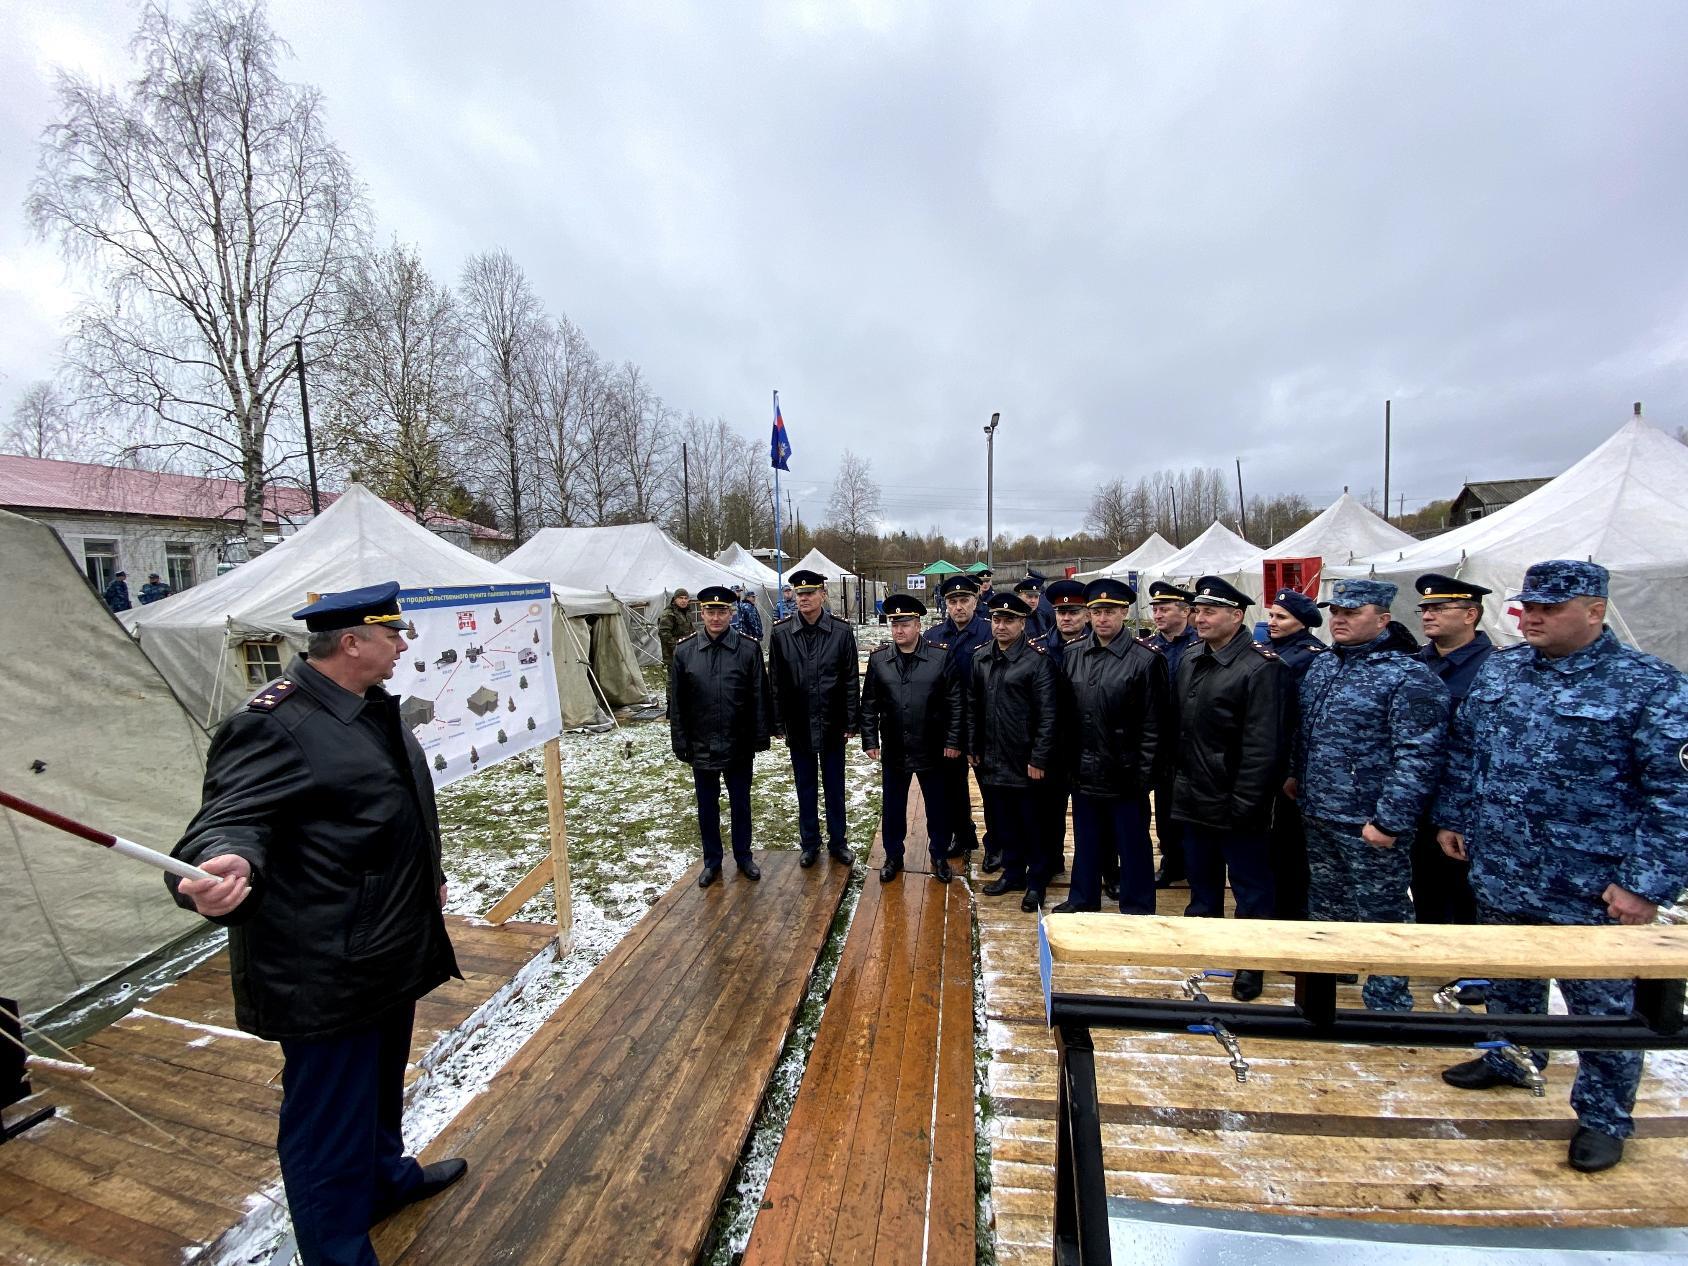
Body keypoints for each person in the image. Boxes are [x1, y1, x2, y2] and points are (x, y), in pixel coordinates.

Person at [167, 581, 466, 1266]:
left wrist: (429, 875)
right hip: (323, 967)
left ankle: (384, 1182)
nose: (402, 644)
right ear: (352, 642)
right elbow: (228, 819)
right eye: (392, 634)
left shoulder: (365, 709)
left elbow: (386, 811)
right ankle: (337, 1252)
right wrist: (222, 863)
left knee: (380, 1087)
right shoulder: (276, 723)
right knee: (325, 1124)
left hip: (383, 949)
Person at [1434, 560, 1688, 1173]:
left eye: (1551, 608)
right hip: (1503, 867)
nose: (1533, 617)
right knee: (1509, 982)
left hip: (1593, 887)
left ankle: (1603, 1116)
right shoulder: (1504, 669)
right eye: (1529, 606)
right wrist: (1455, 816)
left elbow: (1675, 797)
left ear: (1595, 611)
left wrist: (1644, 886)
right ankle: (1510, 1058)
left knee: (1601, 1009)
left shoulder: (1651, 686)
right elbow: (1468, 749)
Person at [1291, 578, 1448, 1013]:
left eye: (1351, 613)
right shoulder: (1323, 666)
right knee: (1326, 902)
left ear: (1382, 619)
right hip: (1319, 809)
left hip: (1369, 820)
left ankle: (1388, 997)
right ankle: (1328, 979)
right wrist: (1294, 776)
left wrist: (1390, 821)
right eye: (1335, 612)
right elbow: (1306, 730)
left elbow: (1419, 756)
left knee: (1383, 910)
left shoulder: (1407, 676)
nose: (1339, 620)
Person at [1168, 576, 1284, 1000]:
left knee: (1251, 887)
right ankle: (1208, 945)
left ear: (1236, 616)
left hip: (1236, 797)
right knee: (1202, 879)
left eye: (1209, 611)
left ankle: (1250, 963)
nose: (1199, 618)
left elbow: (1263, 745)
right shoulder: (1192, 657)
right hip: (1193, 791)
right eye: (1197, 611)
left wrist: (1248, 801)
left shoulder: (1260, 667)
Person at [1053, 578, 1167, 915]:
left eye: (1110, 611)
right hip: (1084, 768)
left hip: (1125, 770)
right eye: (1097, 611)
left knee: (1132, 844)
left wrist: (1145, 774)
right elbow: (1066, 714)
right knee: (1087, 841)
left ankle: (1137, 906)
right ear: (1088, 615)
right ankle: (1082, 897)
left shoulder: (1145, 659)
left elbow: (1154, 724)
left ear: (1124, 613)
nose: (1103, 618)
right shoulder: (1073, 654)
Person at [669, 585, 772, 888]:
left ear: (731, 613)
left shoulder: (748, 649)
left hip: (738, 743)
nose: (716, 617)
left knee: (741, 803)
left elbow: (758, 697)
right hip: (702, 743)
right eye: (710, 611)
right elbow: (677, 702)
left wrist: (759, 736)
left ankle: (743, 856)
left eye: (722, 611)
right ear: (702, 613)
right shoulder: (685, 651)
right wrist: (680, 740)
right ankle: (712, 861)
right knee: (707, 806)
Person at [1410, 573, 1494, 929]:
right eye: (1425, 608)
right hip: (1416, 804)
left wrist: (1457, 816)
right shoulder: (1414, 664)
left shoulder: (1495, 668)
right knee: (1426, 895)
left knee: (1467, 902)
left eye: (1440, 608)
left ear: (1470, 615)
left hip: (1466, 809)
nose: (1428, 615)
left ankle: (1470, 980)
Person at [860, 594, 961, 883]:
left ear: (918, 624)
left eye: (905, 624)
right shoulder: (880, 660)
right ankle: (893, 855)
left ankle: (939, 855)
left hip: (932, 747)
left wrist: (953, 741)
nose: (899, 630)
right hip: (895, 747)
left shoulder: (940, 657)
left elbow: (955, 703)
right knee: (893, 807)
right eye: (894, 624)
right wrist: (870, 740)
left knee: (937, 807)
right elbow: (869, 704)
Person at [968, 591, 1058, 912]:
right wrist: (972, 744)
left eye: (1009, 620)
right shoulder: (980, 658)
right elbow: (973, 706)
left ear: (1022, 623)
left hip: (1024, 760)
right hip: (991, 757)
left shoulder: (1037, 662)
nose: (1001, 626)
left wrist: (1039, 757)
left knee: (1033, 824)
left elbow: (1048, 714)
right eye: (996, 619)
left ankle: (1037, 882)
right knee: (1004, 822)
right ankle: (1014, 872)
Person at [769, 568, 861, 868]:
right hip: (799, 723)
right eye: (800, 594)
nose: (804, 598)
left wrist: (851, 720)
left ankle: (838, 842)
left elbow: (850, 679)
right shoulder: (782, 632)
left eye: (810, 593)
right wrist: (778, 721)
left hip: (832, 721)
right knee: (805, 786)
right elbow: (777, 682)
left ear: (823, 594)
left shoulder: (841, 632)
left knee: (834, 786)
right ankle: (809, 843)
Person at [1262, 588, 1328, 921]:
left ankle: (1292, 912)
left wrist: (1292, 769)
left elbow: (1299, 720)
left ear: (1301, 624)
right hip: (1270, 760)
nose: (1271, 622)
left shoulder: (1308, 657)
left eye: (1281, 617)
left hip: (1291, 766)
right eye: (1271, 615)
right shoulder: (1272, 650)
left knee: (1292, 847)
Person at [924, 573, 993, 861]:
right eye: (953, 601)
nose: (958, 607)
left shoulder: (990, 633)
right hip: (948, 725)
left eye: (964, 600)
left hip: (985, 723)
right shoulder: (934, 637)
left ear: (976, 601)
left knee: (991, 789)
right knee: (953, 787)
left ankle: (996, 844)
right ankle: (963, 835)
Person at [1144, 581, 1199, 887]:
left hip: (1191, 741)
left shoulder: (1198, 645)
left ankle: (1195, 864)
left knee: (1191, 809)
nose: (1157, 614)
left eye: (1164, 608)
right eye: (1154, 608)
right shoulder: (1151, 647)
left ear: (1185, 611)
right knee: (1165, 809)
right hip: (1162, 741)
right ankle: (1171, 861)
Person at [657, 588, 697, 669]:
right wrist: (678, 647)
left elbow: (690, 629)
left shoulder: (686, 612)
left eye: (686, 598)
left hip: (687, 652)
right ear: (675, 599)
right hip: (673, 655)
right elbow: (664, 634)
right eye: (681, 598)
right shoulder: (669, 614)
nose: (683, 601)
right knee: (674, 679)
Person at [1014, 571, 1055, 640]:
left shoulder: (1041, 615)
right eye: (1029, 597)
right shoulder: (1013, 618)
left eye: (1036, 597)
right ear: (1019, 597)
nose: (1033, 601)